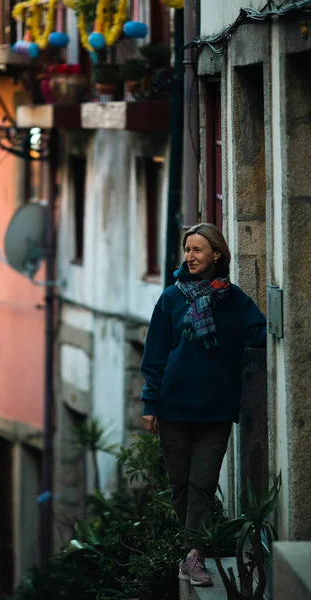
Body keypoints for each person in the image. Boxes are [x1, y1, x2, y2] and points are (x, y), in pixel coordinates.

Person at [140, 223, 266, 587]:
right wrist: (151, 403)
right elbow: (155, 355)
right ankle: (190, 552)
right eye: (188, 250)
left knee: (202, 484)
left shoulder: (233, 299)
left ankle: (194, 555)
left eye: (198, 250)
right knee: (181, 486)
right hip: (174, 407)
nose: (190, 257)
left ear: (217, 254)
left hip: (215, 409)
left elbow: (258, 330)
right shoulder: (170, 299)